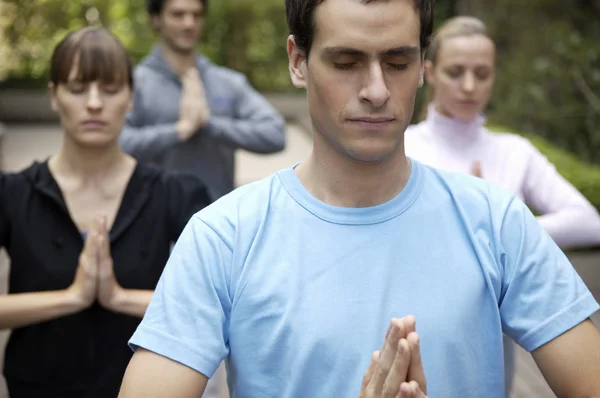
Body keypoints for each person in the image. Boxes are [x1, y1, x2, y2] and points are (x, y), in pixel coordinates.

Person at [118, 0, 600, 397]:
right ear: (297, 60)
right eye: (346, 62)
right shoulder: (222, 236)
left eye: (397, 62)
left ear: (422, 66)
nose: (375, 90)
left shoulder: (496, 221)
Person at [0, 27, 211, 397]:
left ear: (131, 98)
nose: (94, 103)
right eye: (78, 89)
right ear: (54, 96)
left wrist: (118, 297)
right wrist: (71, 297)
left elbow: (214, 304)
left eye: (111, 90)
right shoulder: (13, 193)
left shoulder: (175, 194)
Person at [403, 15, 600, 395]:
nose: (469, 86)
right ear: (428, 71)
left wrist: (503, 226)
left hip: (493, 339)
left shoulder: (513, 152)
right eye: (455, 71)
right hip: (414, 326)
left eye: (482, 73)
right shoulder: (405, 149)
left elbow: (588, 221)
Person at [119, 0, 287, 202]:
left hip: (219, 221)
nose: (189, 23)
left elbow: (275, 134)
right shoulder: (135, 83)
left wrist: (209, 124)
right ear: (156, 19)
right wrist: (179, 130)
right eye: (178, 15)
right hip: (154, 224)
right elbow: (116, 143)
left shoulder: (228, 82)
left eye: (196, 15)